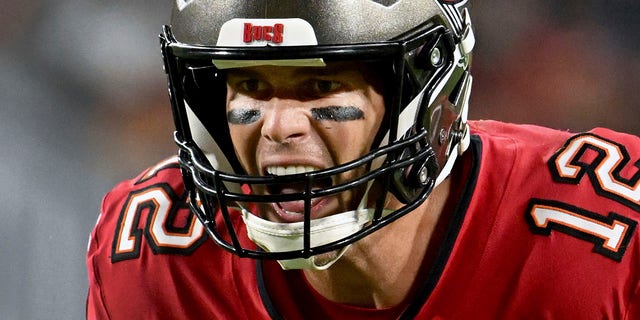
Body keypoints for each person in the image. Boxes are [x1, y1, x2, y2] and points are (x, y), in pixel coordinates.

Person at [86, 1, 640, 318]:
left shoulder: (603, 237)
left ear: (428, 96)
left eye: (321, 86)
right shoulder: (160, 259)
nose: (278, 127)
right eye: (249, 86)